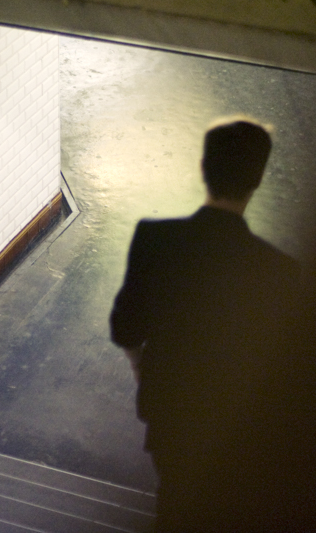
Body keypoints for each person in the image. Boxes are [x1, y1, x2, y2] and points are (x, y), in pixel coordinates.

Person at [110, 117, 300, 531]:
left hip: (171, 411)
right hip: (240, 425)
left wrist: (142, 368)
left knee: (174, 499)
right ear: (259, 179)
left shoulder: (155, 239)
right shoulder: (280, 272)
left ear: (203, 168)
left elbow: (125, 327)